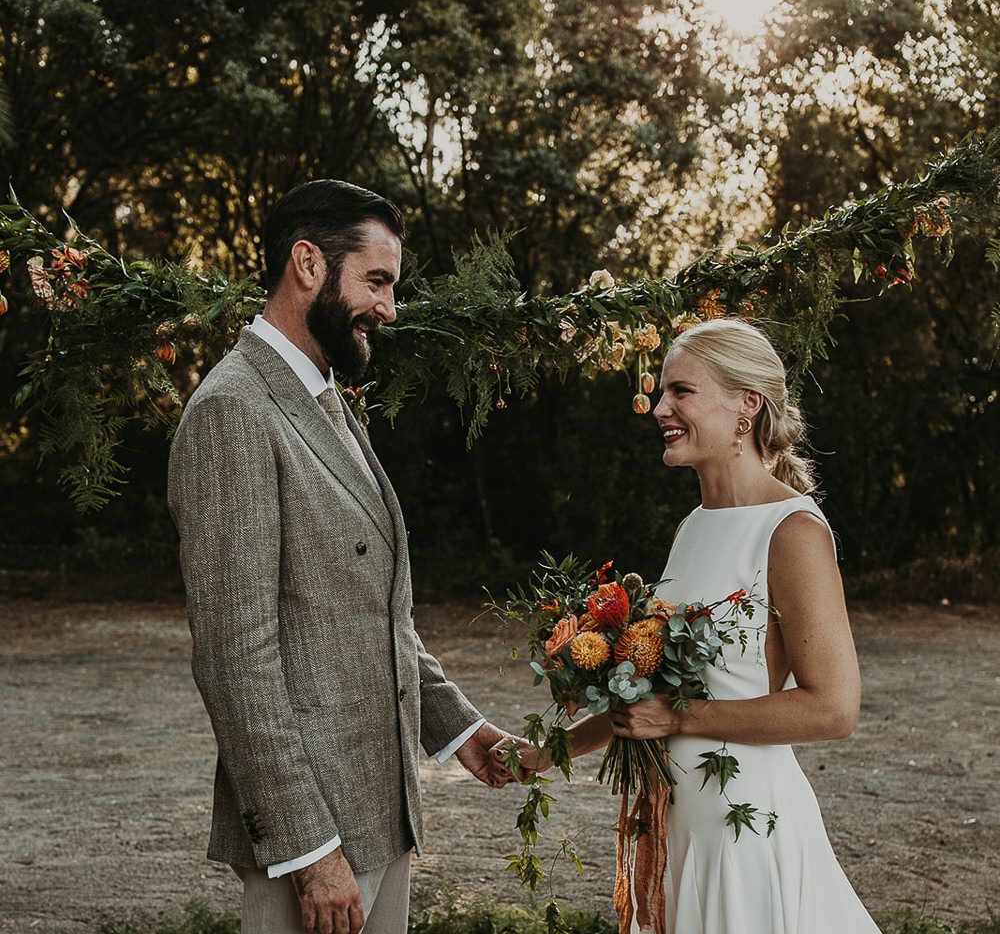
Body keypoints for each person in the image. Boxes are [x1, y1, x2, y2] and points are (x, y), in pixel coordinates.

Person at [168, 179, 514, 934]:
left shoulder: (325, 396)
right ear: (308, 264)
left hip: (381, 811)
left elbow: (362, 609)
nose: (390, 308)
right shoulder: (233, 410)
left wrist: (458, 729)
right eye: (378, 281)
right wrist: (309, 849)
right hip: (315, 840)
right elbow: (234, 658)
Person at [498, 318, 880, 933]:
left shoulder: (792, 532)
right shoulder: (693, 526)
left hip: (743, 822)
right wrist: (546, 754)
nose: (659, 407)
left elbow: (834, 709)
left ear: (745, 406)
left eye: (681, 391)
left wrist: (680, 721)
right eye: (661, 393)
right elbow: (654, 699)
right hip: (677, 821)